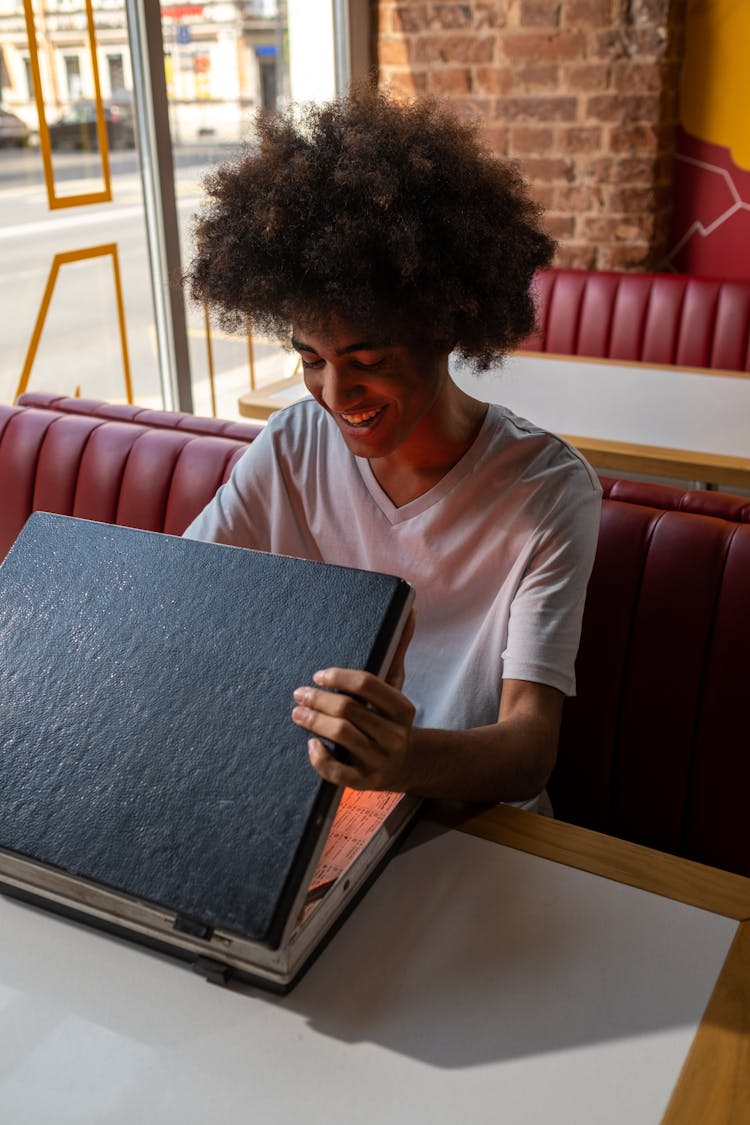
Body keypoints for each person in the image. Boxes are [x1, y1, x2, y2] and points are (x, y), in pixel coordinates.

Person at [184, 85, 601, 810]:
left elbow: (531, 746)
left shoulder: (549, 491)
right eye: (310, 358)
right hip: (309, 804)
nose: (335, 395)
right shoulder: (292, 443)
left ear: (445, 327)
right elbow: (179, 589)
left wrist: (405, 759)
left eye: (367, 358)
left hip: (471, 829)